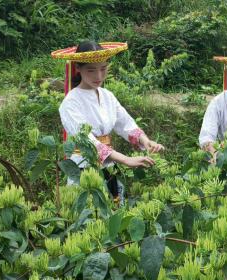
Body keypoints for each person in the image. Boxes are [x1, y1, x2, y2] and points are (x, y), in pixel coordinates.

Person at [53, 40, 164, 198]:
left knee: (111, 212)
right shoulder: (70, 103)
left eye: (103, 69)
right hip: (83, 168)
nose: (98, 76)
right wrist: (126, 160)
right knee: (89, 212)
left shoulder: (107, 96)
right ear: (78, 68)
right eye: (91, 70)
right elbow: (88, 141)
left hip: (109, 166)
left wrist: (146, 141)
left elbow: (126, 123)